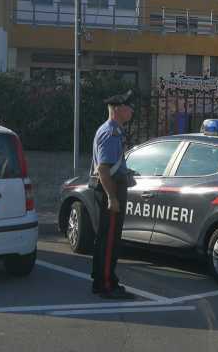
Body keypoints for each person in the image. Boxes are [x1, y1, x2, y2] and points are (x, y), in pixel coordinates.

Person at [90, 89, 135, 300]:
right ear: (117, 109)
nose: (132, 110)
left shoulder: (113, 130)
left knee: (107, 239)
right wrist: (112, 197)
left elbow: (112, 166)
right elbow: (103, 169)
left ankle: (102, 279)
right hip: (111, 191)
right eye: (128, 106)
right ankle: (106, 284)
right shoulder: (110, 133)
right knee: (109, 240)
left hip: (113, 188)